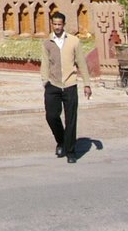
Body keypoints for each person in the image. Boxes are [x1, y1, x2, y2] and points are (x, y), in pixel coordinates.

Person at [41, 12, 92, 163]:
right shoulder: (47, 42)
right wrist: (45, 81)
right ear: (52, 24)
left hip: (70, 84)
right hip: (53, 84)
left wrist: (87, 84)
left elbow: (81, 62)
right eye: (54, 24)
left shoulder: (74, 41)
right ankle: (61, 140)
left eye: (59, 24)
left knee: (71, 119)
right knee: (51, 116)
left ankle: (70, 151)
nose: (57, 27)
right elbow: (45, 63)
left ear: (64, 24)